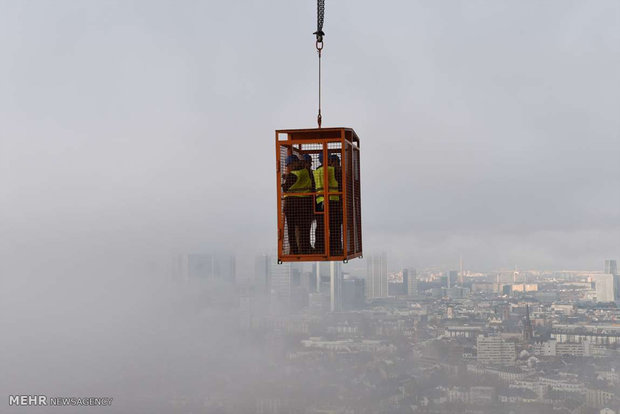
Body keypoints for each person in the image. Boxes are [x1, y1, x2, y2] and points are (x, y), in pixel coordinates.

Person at [282, 154, 313, 255]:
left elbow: (285, 188)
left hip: (292, 205)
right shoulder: (306, 172)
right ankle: (304, 248)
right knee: (304, 228)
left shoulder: (293, 174)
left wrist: (284, 181)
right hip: (305, 204)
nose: (288, 168)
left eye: (288, 165)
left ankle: (294, 250)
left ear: (293, 164)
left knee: (291, 229)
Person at [312, 152, 342, 256]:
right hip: (333, 201)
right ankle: (335, 248)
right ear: (328, 160)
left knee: (321, 226)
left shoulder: (316, 171)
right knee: (334, 225)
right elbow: (341, 181)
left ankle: (320, 248)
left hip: (320, 202)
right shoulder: (333, 170)